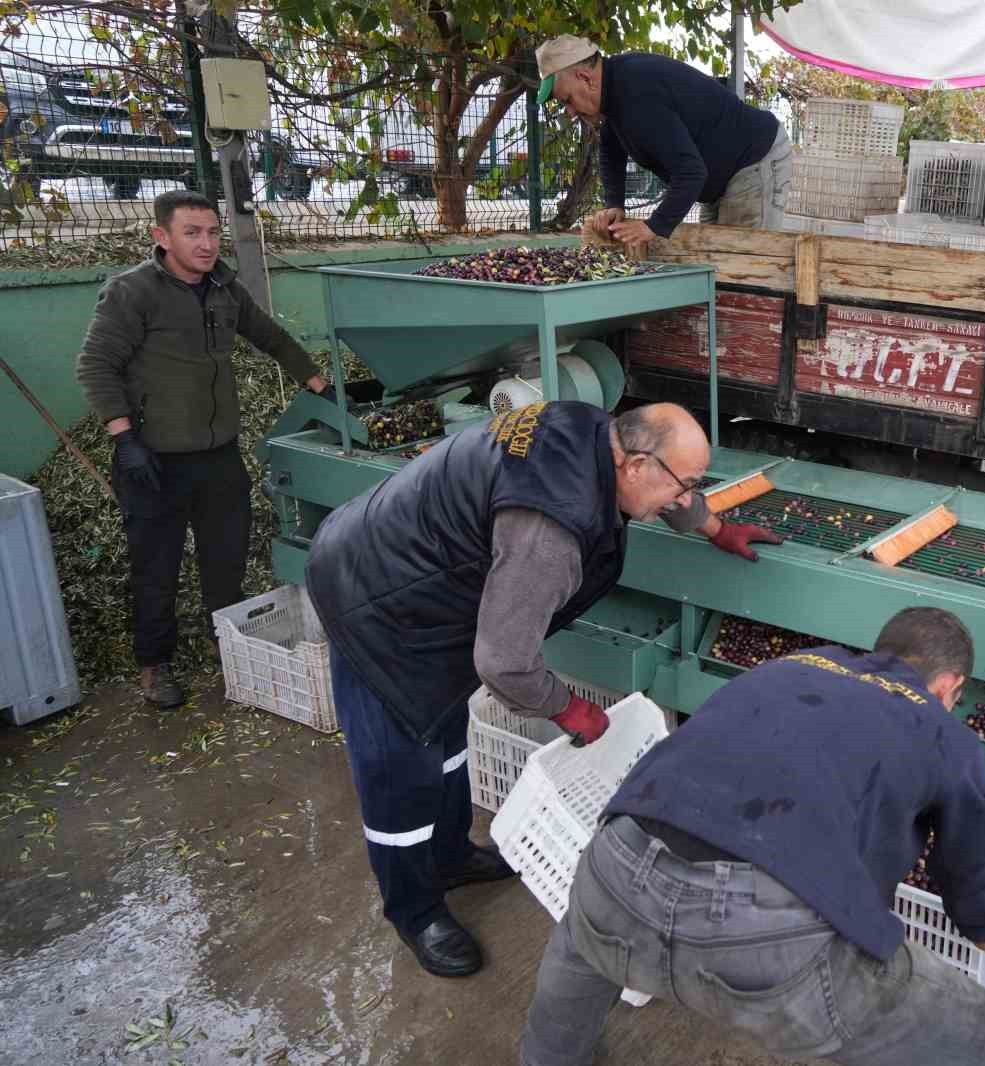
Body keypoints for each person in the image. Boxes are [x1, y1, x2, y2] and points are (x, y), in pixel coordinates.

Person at [304, 401, 781, 979]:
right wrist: (571, 709)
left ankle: (450, 856)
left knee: (446, 740)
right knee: (398, 773)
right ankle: (414, 909)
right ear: (632, 464)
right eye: (686, 486)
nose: (685, 498)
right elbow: (504, 663)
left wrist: (715, 527)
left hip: (430, 594)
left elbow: (668, 490)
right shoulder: (550, 529)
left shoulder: (590, 428)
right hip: (374, 604)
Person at [520, 607, 985, 1066]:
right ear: (950, 687)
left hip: (616, 862)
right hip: (760, 936)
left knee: (582, 944)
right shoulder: (944, 732)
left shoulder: (788, 667)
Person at [76, 189, 328, 710]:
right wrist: (125, 438)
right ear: (161, 237)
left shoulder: (224, 289)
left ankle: (228, 646)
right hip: (153, 458)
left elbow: (273, 339)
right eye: (192, 233)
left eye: (213, 232)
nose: (207, 243)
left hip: (217, 454)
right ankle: (154, 663)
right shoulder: (132, 292)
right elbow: (95, 364)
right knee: (156, 566)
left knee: (225, 559)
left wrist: (321, 385)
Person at [535, 35, 792, 252]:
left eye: (567, 99)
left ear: (585, 78)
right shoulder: (615, 89)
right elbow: (610, 151)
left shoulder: (637, 93)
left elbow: (691, 173)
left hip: (753, 162)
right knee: (712, 263)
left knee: (742, 265)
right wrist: (615, 204)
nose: (569, 111)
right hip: (720, 178)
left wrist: (653, 226)